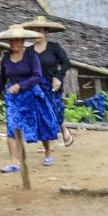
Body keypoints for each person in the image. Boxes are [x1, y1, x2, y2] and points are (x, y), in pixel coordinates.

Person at [0, 24, 59, 172]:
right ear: (8, 42)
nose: (15, 43)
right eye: (12, 41)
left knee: (41, 124)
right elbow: (2, 79)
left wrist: (20, 85)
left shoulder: (31, 55)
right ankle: (14, 162)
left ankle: (48, 152)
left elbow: (37, 76)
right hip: (13, 98)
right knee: (12, 126)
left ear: (23, 41)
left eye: (18, 40)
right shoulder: (6, 58)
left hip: (32, 94)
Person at [21, 16, 73, 152]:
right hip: (37, 87)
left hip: (52, 85)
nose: (37, 33)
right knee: (43, 114)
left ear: (46, 33)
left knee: (55, 110)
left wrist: (58, 77)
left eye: (40, 30)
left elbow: (66, 63)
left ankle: (63, 129)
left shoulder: (54, 48)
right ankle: (47, 146)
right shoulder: (29, 51)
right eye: (34, 30)